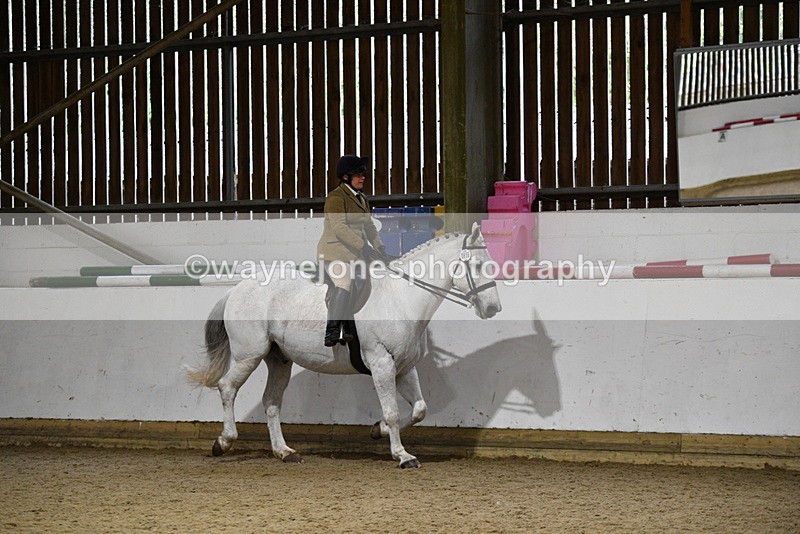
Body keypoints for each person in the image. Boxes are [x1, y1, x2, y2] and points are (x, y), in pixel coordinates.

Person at [317, 155, 386, 347]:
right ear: (346, 177)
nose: (363, 177)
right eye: (358, 174)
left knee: (367, 279)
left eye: (363, 174)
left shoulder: (362, 198)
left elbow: (370, 226)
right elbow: (339, 227)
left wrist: (380, 246)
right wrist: (363, 246)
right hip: (334, 252)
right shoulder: (336, 198)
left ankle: (349, 325)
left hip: (355, 253)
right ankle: (332, 330)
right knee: (345, 282)